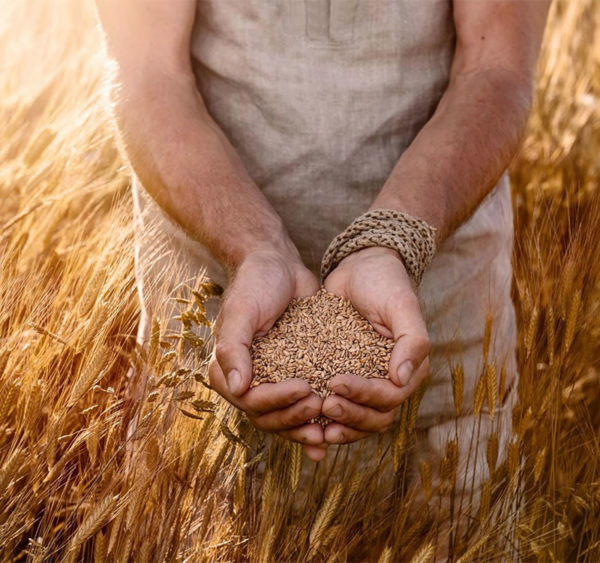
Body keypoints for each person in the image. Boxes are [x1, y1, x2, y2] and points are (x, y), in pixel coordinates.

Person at [96, 0, 549, 536]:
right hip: (210, 324)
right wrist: (255, 247)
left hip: (443, 328)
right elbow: (149, 74)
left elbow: (494, 69)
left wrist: (391, 240)